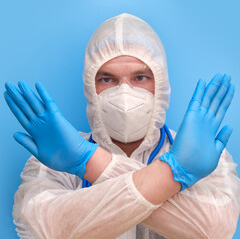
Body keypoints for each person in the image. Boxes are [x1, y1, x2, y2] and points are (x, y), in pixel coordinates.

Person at [4, 13, 240, 239]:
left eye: (140, 78)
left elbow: (216, 231)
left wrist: (91, 164)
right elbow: (46, 229)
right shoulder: (52, 158)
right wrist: (174, 173)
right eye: (108, 79)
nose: (125, 92)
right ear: (90, 88)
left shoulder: (207, 156)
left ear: (161, 85)